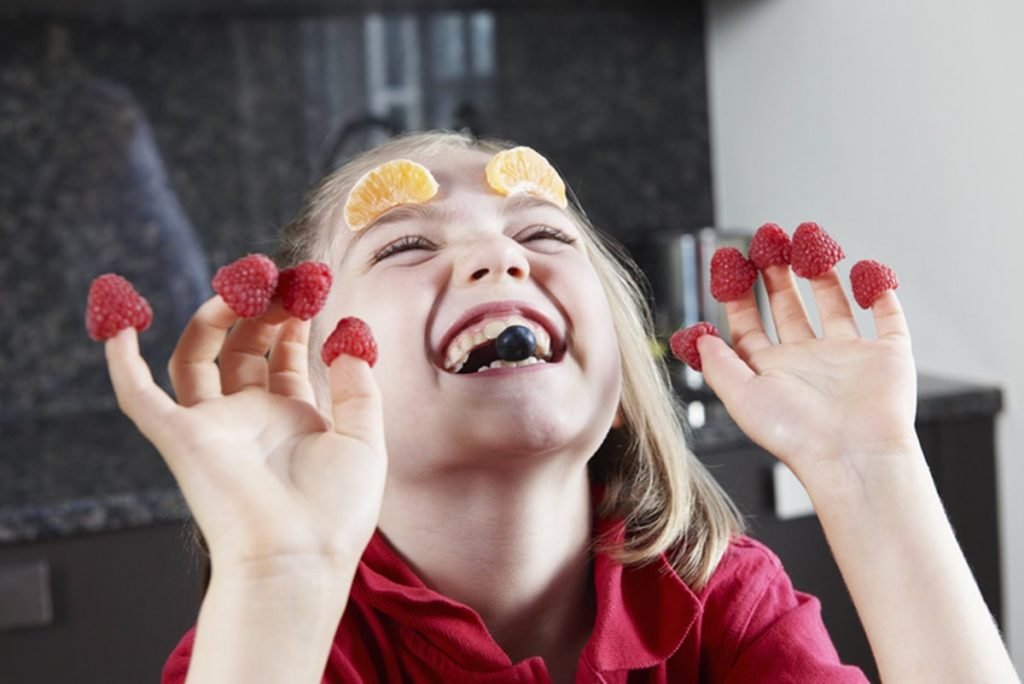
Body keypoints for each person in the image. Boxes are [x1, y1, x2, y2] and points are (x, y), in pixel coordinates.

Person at [101, 130, 1019, 683]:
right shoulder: (282, 643)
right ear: (308, 371)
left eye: (541, 231)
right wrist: (274, 581)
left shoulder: (720, 605)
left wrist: (873, 469)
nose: (499, 259)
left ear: (619, 372)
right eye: (405, 244)